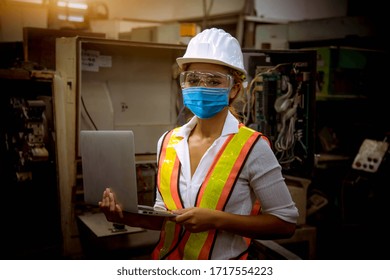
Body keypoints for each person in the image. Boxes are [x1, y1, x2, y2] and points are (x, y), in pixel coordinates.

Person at [99, 28, 299, 260]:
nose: (201, 87)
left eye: (214, 81)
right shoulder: (167, 142)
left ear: (234, 89)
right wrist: (123, 217)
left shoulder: (253, 147)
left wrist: (216, 220)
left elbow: (285, 223)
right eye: (193, 79)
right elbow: (167, 219)